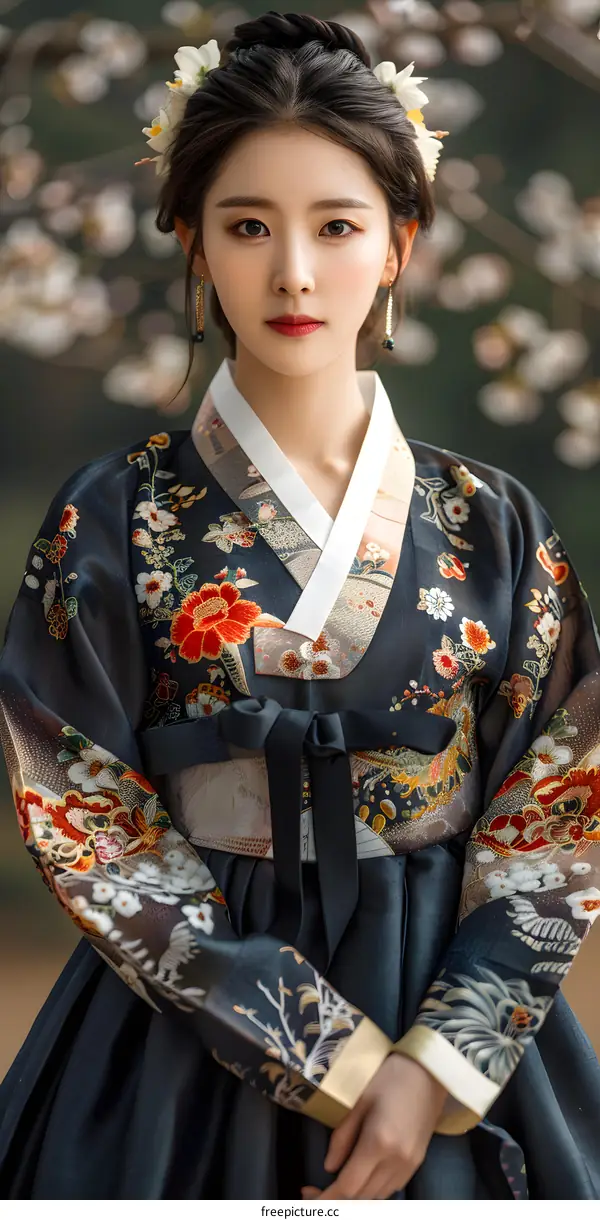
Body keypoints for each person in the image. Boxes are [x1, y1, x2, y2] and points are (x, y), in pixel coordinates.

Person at [0, 10, 599, 1202]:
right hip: (179, 1030)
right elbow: (83, 806)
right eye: (246, 226)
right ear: (192, 243)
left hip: (449, 1018)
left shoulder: (493, 518)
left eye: (336, 225)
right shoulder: (109, 516)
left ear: (399, 244)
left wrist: (436, 1062)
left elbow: (559, 795)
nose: (292, 271)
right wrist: (320, 1049)